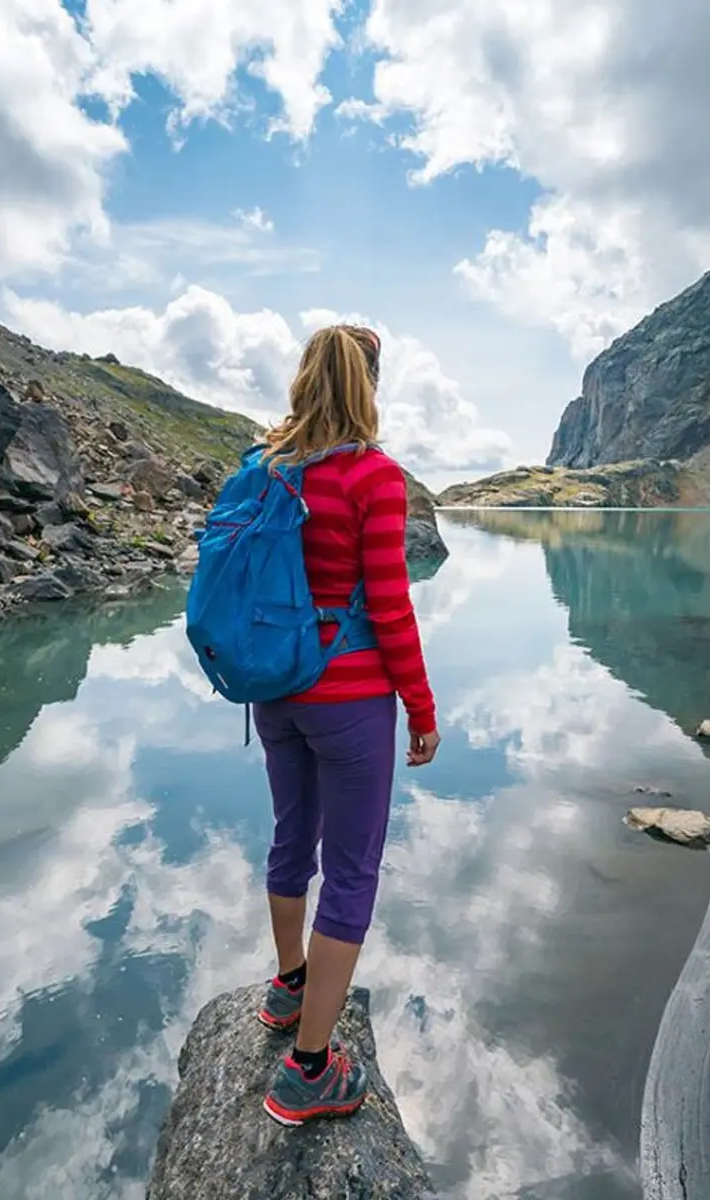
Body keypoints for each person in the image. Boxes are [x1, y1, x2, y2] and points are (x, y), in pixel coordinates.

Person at [253, 324, 440, 1128]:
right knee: (353, 869)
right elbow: (391, 606)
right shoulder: (372, 475)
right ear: (368, 384)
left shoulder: (267, 471)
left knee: (292, 836)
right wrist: (421, 710)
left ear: (305, 378)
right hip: (349, 700)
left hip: (275, 690)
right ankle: (309, 1070)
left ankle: (288, 984)